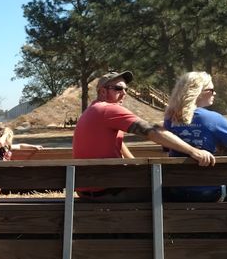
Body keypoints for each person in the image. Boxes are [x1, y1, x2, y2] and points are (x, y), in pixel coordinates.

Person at [72, 70, 216, 202]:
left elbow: (117, 143)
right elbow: (151, 131)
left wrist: (134, 164)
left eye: (126, 89)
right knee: (176, 189)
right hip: (107, 191)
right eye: (118, 89)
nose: (124, 93)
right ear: (103, 91)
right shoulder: (108, 109)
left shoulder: (92, 110)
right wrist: (193, 151)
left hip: (89, 188)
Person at [163, 71, 227, 202]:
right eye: (211, 90)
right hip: (210, 192)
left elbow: (167, 149)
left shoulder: (169, 119)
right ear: (199, 92)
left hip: (176, 191)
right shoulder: (213, 118)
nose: (215, 93)